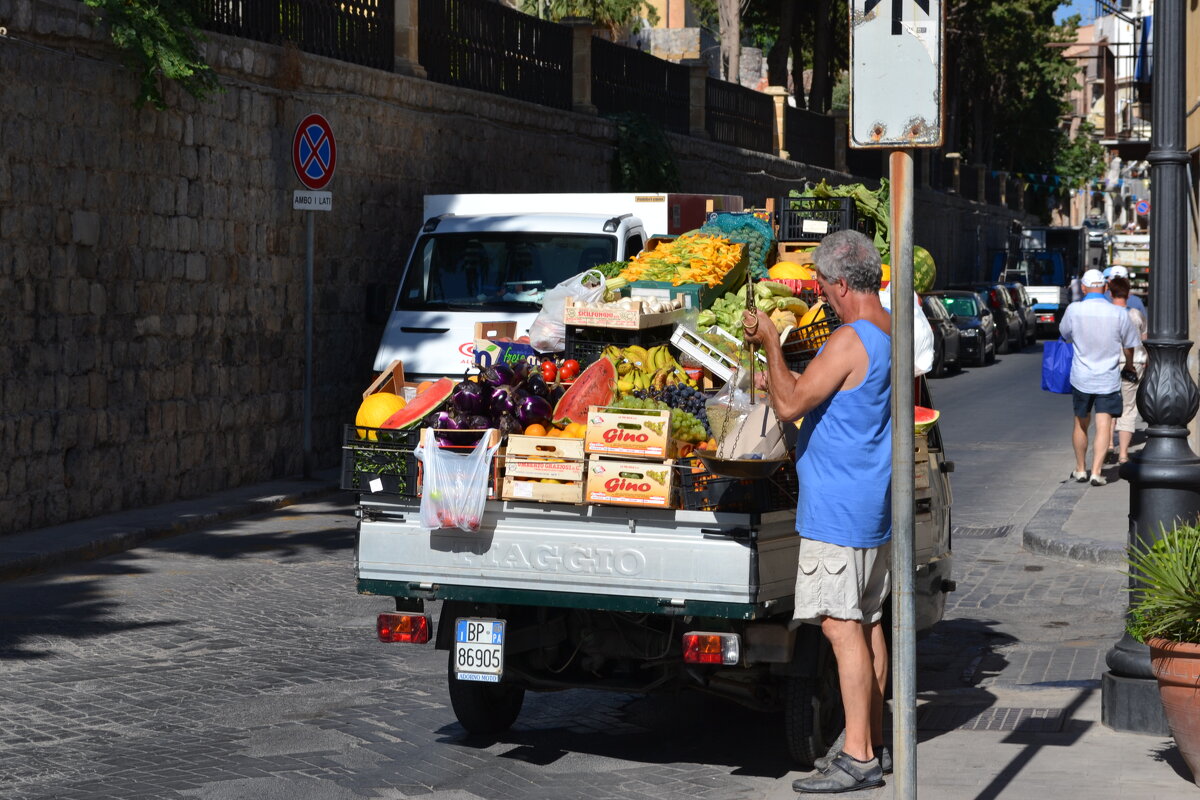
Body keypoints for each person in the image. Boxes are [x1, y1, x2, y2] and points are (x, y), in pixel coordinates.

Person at [743, 229, 891, 794]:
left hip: (837, 506)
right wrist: (785, 378)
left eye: (825, 287)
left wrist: (773, 344)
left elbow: (789, 403)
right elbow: (830, 398)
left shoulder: (850, 338)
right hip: (869, 500)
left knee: (839, 626)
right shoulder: (887, 329)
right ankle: (869, 740)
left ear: (842, 284)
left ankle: (857, 758)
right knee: (868, 622)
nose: (822, 296)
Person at [1059, 268, 1140, 486]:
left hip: (1081, 377)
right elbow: (1129, 345)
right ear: (1104, 288)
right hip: (1108, 377)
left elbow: (1065, 334)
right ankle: (1096, 471)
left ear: (1083, 288)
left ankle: (1080, 468)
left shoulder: (1074, 310)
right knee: (1104, 424)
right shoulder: (1119, 313)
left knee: (1080, 423)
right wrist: (1130, 365)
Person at [1107, 275, 1147, 464]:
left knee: (1107, 406)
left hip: (1108, 364)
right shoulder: (1135, 315)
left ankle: (1108, 444)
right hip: (1134, 364)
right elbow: (1144, 340)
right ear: (1128, 293)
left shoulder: (1106, 315)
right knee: (1128, 408)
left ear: (1109, 291)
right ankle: (1123, 453)